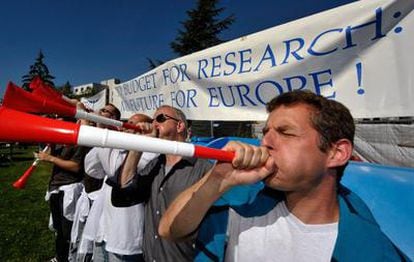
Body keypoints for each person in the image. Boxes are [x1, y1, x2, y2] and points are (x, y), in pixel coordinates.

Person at [158, 90, 410, 261]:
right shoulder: (240, 202)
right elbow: (170, 230)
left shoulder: (372, 251)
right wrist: (217, 180)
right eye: (266, 132)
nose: (265, 142)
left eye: (286, 133)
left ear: (337, 152)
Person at [110, 105, 213, 262]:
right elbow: (124, 194)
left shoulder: (203, 168)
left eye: (160, 119)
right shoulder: (155, 166)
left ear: (179, 126)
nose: (154, 124)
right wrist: (138, 145)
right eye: (152, 120)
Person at [84, 113, 157, 262]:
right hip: (104, 225)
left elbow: (119, 174)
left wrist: (140, 141)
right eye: (127, 122)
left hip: (125, 229)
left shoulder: (151, 151)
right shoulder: (117, 146)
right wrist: (102, 132)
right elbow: (92, 169)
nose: (126, 127)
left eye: (133, 124)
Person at [37, 117, 91, 262]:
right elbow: (51, 156)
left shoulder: (78, 140)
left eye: (59, 121)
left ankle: (69, 258)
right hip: (56, 187)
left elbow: (75, 166)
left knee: (68, 230)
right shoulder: (60, 139)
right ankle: (60, 257)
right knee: (59, 228)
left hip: (69, 188)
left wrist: (50, 158)